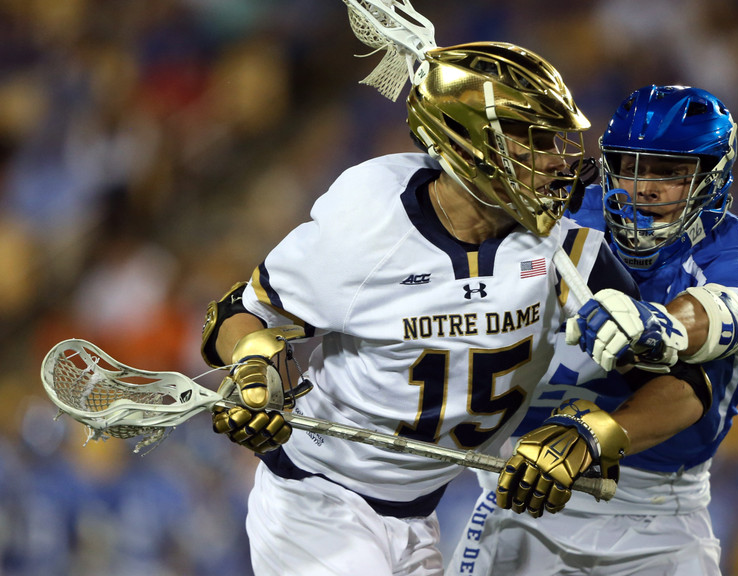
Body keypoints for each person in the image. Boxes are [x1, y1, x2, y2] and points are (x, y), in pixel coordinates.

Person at [198, 44, 704, 576]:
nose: (559, 159)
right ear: (468, 146)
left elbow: (684, 385)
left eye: (557, 139)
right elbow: (240, 314)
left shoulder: (568, 251)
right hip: (316, 499)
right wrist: (253, 364)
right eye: (534, 140)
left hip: (419, 516)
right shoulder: (369, 224)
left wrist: (594, 437)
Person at [446, 85, 738, 576]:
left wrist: (659, 324)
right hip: (525, 488)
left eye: (668, 172)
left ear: (711, 177)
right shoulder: (561, 214)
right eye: (630, 166)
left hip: (655, 516)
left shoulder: (735, 257)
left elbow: (720, 316)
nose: (644, 187)